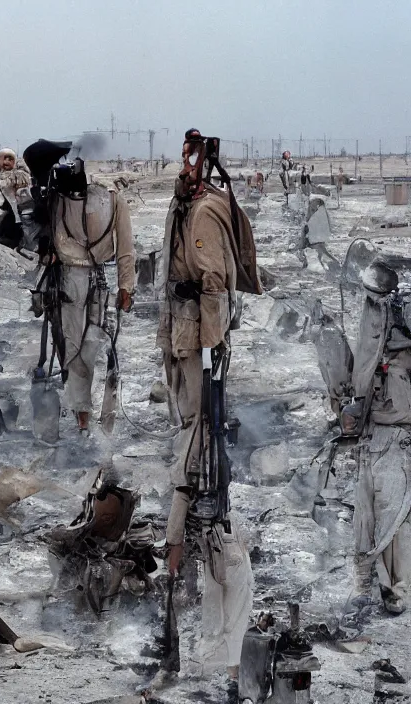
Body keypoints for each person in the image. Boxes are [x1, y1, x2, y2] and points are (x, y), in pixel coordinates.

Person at [155, 130, 255, 703]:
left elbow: (214, 280)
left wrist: (214, 343)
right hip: (182, 334)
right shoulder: (185, 205)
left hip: (199, 336)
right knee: (189, 427)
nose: (187, 166)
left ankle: (185, 541)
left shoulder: (207, 211)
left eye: (194, 157)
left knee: (196, 436)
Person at [48, 157, 135, 434]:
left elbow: (125, 247)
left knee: (83, 347)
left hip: (87, 281)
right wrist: (125, 287)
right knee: (77, 349)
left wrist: (126, 287)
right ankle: (81, 413)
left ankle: (82, 413)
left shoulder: (107, 199)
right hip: (73, 281)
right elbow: (125, 247)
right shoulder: (60, 198)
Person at [346, 261, 411, 615]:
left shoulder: (399, 350)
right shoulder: (373, 334)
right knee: (366, 515)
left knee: (393, 518)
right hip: (373, 434)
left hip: (396, 434)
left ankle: (395, 591)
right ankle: (368, 585)